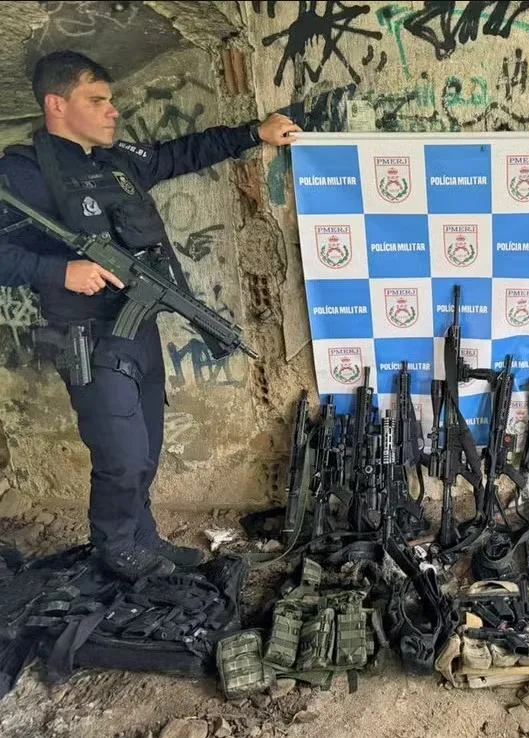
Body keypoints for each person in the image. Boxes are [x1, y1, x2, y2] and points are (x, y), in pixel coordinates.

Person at [0, 50, 302, 582]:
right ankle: (116, 546)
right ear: (56, 105)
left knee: (147, 450)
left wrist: (254, 133)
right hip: (87, 337)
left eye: (111, 99)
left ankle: (143, 538)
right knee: (122, 456)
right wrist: (59, 271)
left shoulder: (117, 162)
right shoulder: (24, 173)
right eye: (97, 100)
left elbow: (182, 153)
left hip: (138, 332)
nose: (112, 110)